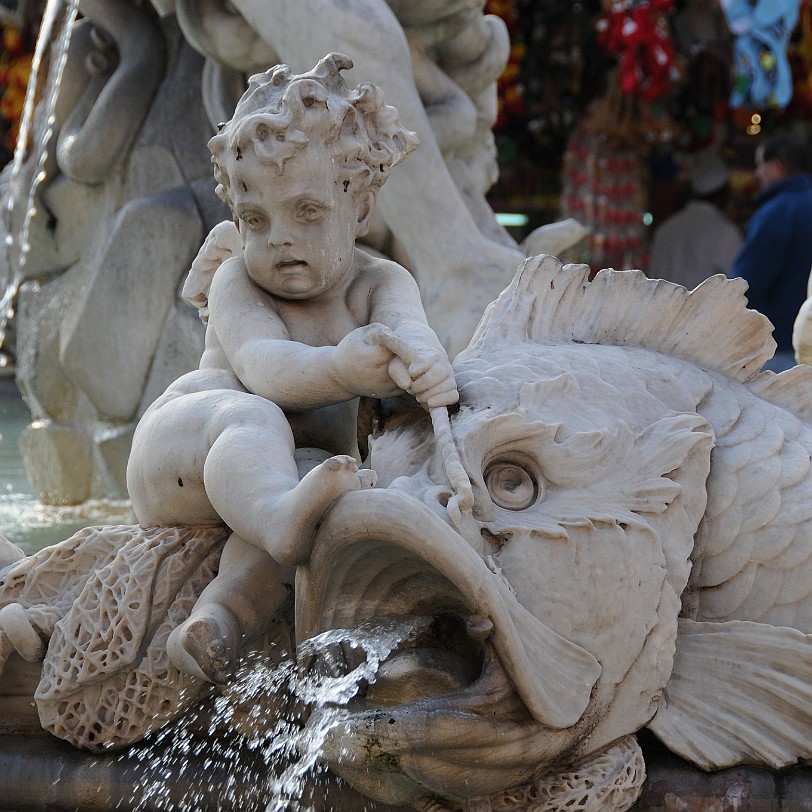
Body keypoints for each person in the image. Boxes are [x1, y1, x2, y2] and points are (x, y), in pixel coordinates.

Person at [126, 54, 459, 683]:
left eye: (305, 212)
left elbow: (413, 338)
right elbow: (267, 368)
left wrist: (428, 368)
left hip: (269, 480)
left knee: (312, 496)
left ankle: (216, 623)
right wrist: (345, 367)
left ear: (358, 207)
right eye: (256, 220)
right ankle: (280, 518)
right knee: (255, 418)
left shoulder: (382, 282)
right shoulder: (238, 281)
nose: (278, 238)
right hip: (185, 449)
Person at [732, 132, 812, 372]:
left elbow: (745, 286)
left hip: (779, 351)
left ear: (775, 167)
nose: (757, 174)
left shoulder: (776, 213)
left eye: (759, 166)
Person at [649, 151, 743, 289]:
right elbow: (740, 288)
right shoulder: (725, 233)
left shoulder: (664, 229)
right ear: (724, 193)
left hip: (661, 310)